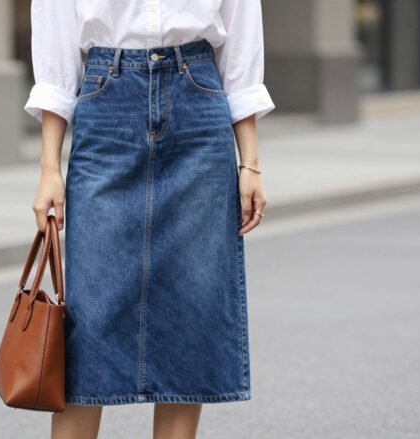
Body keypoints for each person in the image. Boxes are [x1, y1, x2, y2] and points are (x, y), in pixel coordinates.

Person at [23, 1, 275, 438]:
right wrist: (50, 168)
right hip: (106, 109)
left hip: (198, 108)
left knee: (191, 309)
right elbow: (56, 56)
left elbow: (241, 46)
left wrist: (249, 164)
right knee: (89, 318)